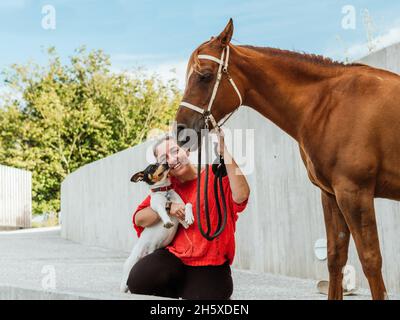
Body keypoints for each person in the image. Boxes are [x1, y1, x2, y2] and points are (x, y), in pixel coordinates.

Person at [128, 130, 250, 299]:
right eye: (164, 159)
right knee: (138, 280)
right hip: (175, 257)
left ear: (187, 150)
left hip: (210, 261)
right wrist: (168, 206)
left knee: (205, 299)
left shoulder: (215, 174)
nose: (172, 159)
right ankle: (172, 291)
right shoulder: (166, 188)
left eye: (175, 151)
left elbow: (241, 195)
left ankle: (190, 289)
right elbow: (138, 218)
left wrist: (226, 154)